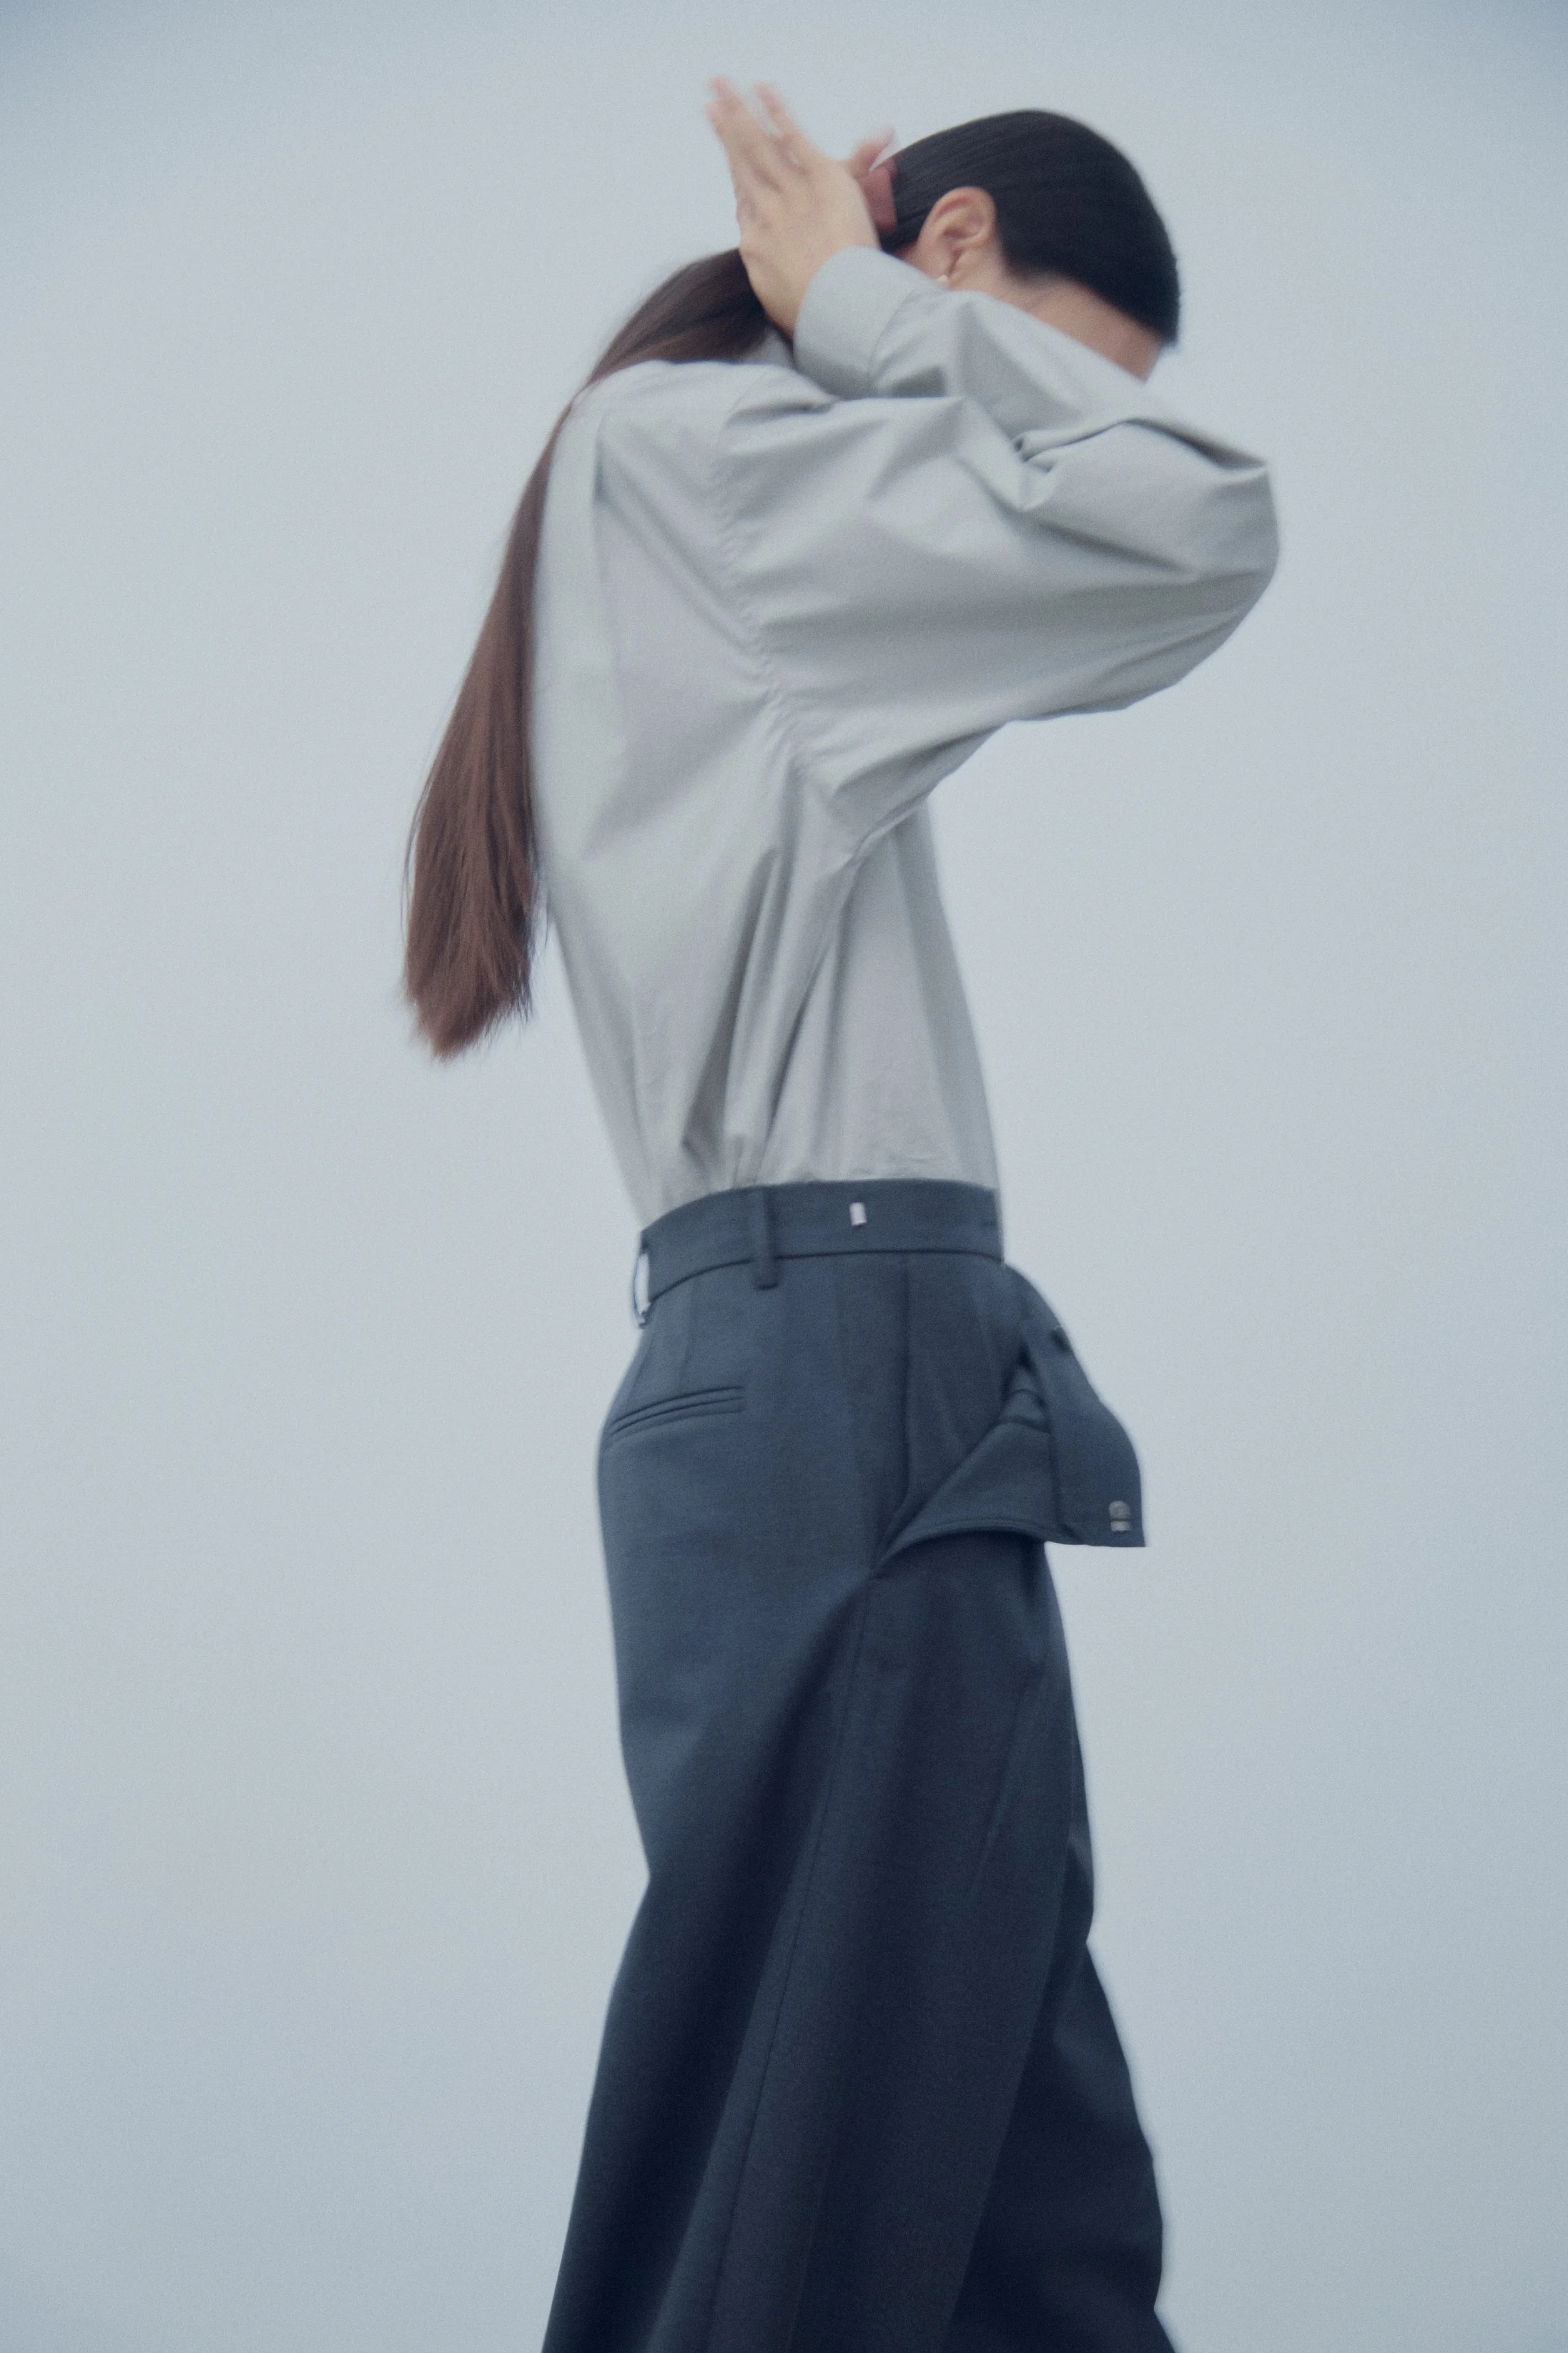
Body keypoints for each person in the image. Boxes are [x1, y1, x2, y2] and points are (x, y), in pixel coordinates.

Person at [404, 80, 1276, 2353]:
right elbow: (1198, 528)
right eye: (1052, 371)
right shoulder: (703, 465)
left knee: (1015, 2180)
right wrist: (883, 316)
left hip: (829, 1366)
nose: (1045, 439)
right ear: (956, 249)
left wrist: (909, 333)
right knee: (818, 2165)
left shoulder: (721, 509)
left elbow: (1141, 536)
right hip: (846, 1357)